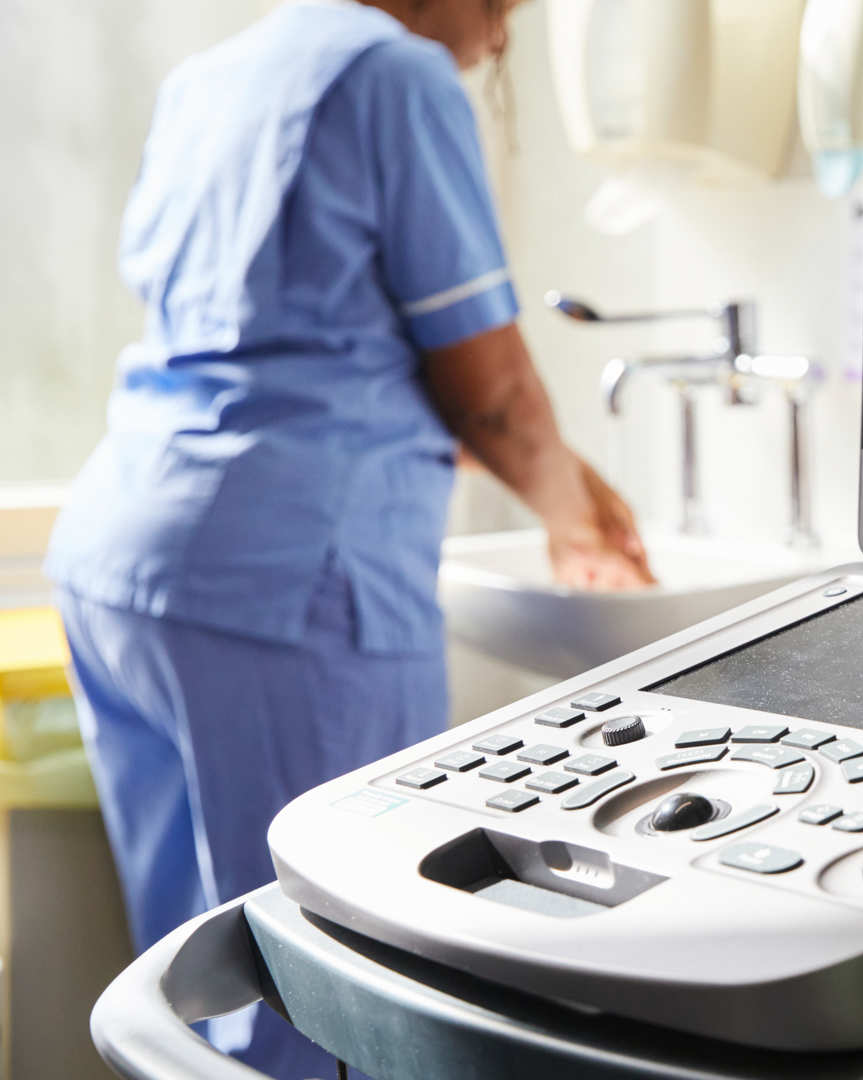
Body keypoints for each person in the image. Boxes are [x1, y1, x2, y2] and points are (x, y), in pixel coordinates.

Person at [43, 1, 652, 1074]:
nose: (502, 39)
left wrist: (570, 480)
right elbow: (491, 393)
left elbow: (325, 351)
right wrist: (576, 524)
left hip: (123, 558)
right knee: (319, 983)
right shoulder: (396, 76)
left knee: (188, 992)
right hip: (278, 580)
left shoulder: (216, 77)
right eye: (504, 5)